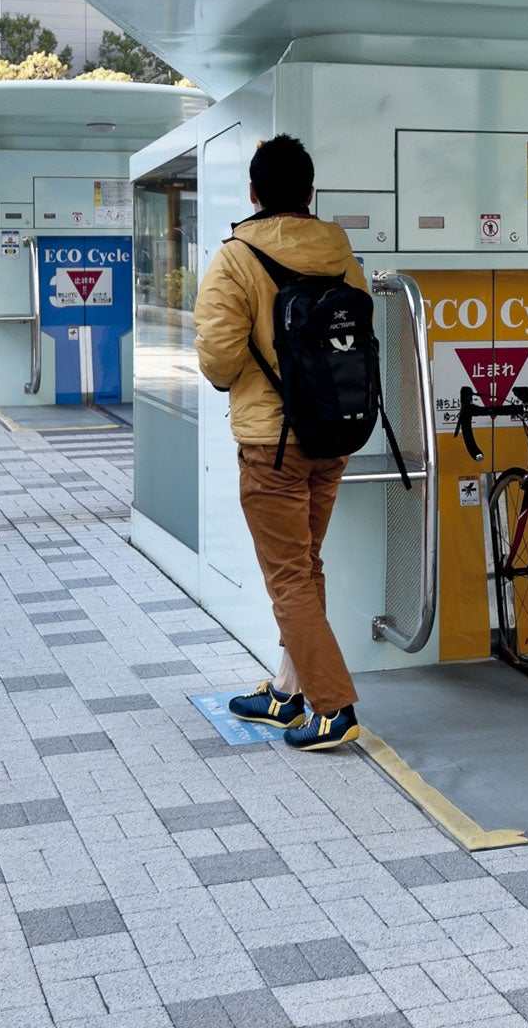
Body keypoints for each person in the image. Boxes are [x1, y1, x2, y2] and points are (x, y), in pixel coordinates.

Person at [195, 135, 369, 752]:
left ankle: (333, 707)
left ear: (254, 193)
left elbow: (218, 361)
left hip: (272, 443)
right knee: (306, 565)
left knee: (289, 577)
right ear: (310, 192)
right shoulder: (340, 251)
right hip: (333, 433)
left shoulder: (236, 259)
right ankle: (286, 692)